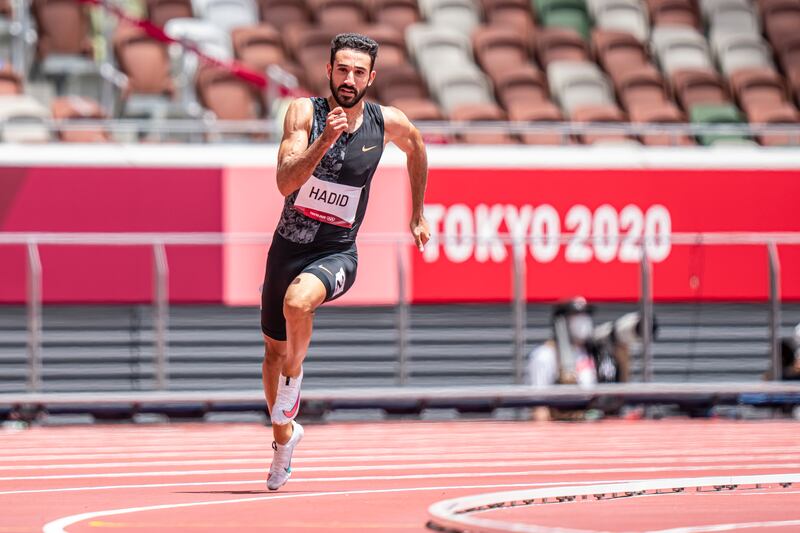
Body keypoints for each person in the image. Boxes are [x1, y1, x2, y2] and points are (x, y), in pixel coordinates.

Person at [260, 33, 430, 491]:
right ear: (329, 72)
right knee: (272, 352)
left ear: (371, 78)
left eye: (359, 72)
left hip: (336, 252)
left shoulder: (385, 122)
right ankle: (284, 441)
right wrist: (325, 139)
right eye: (342, 70)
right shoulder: (304, 114)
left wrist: (416, 212)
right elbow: (284, 182)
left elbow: (417, 147)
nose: (349, 79)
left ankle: (295, 382)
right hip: (287, 247)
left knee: (299, 305)